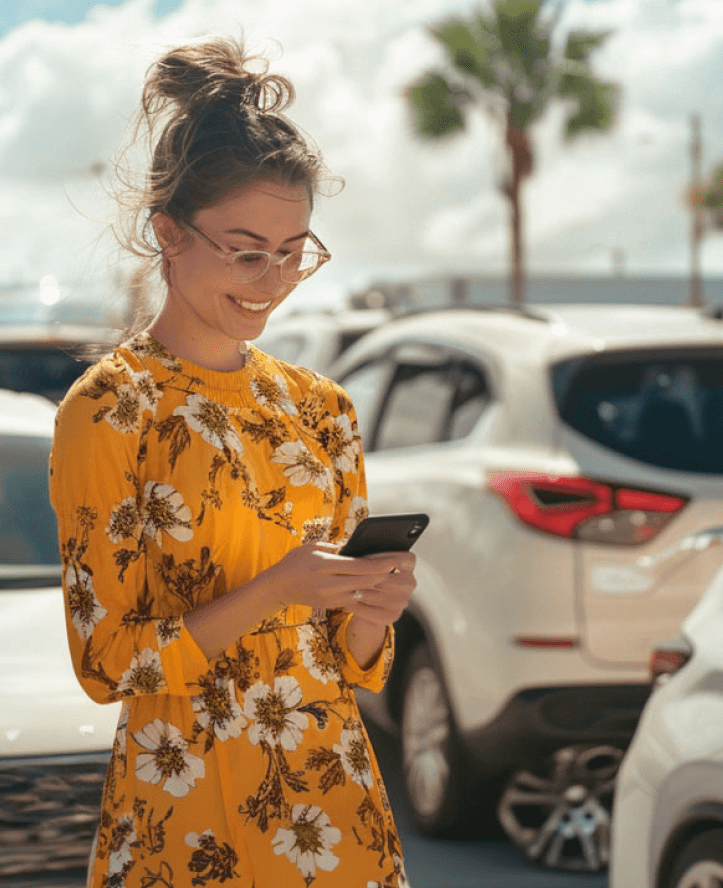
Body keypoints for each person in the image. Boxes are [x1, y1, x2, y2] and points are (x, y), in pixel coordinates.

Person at [49, 36, 414, 888]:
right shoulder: (109, 409)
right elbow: (109, 664)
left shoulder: (325, 410)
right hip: (188, 816)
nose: (272, 277)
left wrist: (373, 610)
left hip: (337, 813)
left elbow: (345, 655)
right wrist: (276, 590)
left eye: (294, 251)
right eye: (245, 250)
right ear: (168, 233)